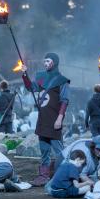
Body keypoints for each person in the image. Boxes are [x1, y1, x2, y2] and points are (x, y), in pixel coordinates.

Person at [20, 53, 70, 186]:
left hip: (54, 119)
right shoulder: (41, 77)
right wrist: (25, 74)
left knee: (59, 152)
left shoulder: (62, 81)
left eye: (48, 61)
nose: (45, 63)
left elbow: (64, 101)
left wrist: (59, 119)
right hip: (43, 119)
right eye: (45, 61)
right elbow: (30, 88)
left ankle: (65, 175)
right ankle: (44, 176)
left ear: (54, 62)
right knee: (44, 151)